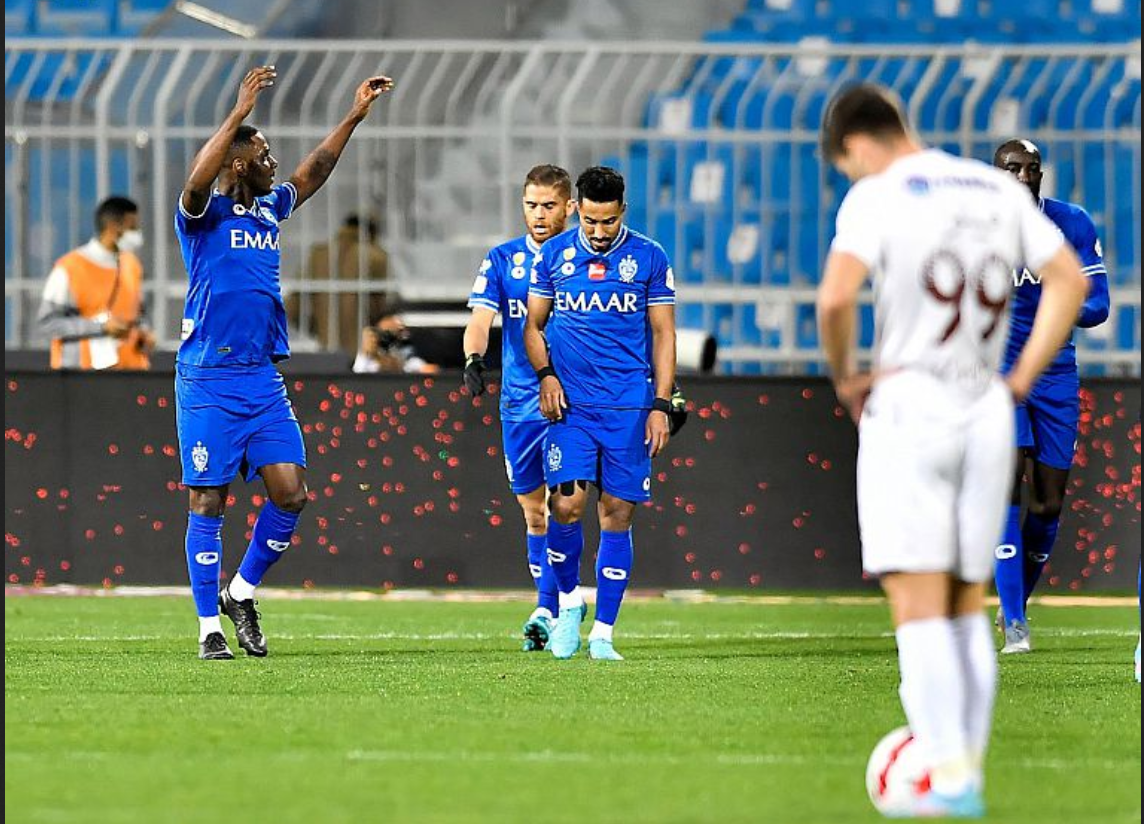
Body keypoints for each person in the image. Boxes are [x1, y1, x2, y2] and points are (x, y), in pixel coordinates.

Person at [815, 83, 1086, 817]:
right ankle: (965, 774)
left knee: (917, 599)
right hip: (986, 407)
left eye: (846, 165)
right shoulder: (992, 190)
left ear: (855, 144)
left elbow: (835, 299)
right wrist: (1019, 379)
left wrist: (846, 377)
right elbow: (1068, 282)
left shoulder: (879, 194)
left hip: (911, 404)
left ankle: (947, 777)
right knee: (966, 601)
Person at [174, 66, 393, 660]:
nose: (274, 162)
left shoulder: (270, 209)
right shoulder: (201, 216)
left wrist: (353, 115)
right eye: (264, 155)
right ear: (238, 163)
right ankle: (208, 629)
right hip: (208, 378)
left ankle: (240, 593)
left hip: (261, 378)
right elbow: (196, 180)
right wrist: (238, 114)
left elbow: (312, 171)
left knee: (291, 494)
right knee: (208, 501)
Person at [524, 166, 677, 661]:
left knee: (616, 513)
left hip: (629, 407)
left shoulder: (649, 257)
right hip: (572, 407)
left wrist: (660, 404)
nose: (598, 231)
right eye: (590, 220)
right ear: (577, 211)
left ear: (622, 213)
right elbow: (532, 326)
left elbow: (664, 333)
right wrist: (546, 375)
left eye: (608, 221)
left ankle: (604, 634)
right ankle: (570, 603)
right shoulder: (553, 255)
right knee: (565, 505)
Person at [990, 138, 1111, 655]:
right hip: (998, 374)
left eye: (1032, 169)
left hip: (1056, 372)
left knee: (1048, 503)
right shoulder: (974, 227)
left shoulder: (1070, 223)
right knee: (1005, 487)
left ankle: (1014, 602)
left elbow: (1099, 305)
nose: (1023, 177)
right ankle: (1016, 623)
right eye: (1012, 168)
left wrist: (1060, 297)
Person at [463, 164, 579, 651]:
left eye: (549, 205)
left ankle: (550, 609)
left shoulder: (581, 259)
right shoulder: (502, 259)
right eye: (531, 205)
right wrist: (474, 357)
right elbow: (480, 319)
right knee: (534, 515)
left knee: (561, 505)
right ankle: (551, 605)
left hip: (569, 403)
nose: (539, 214)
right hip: (518, 405)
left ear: (569, 207)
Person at [38, 195, 156, 370]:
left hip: (131, 372)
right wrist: (100, 327)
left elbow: (139, 315)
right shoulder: (69, 268)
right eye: (132, 227)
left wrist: (144, 332)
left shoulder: (132, 265)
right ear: (112, 226)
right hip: (82, 375)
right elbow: (48, 324)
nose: (137, 233)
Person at [287, 213, 391, 357]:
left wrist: (319, 327)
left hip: (328, 349)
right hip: (363, 350)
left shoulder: (318, 255)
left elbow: (292, 308)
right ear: (372, 233)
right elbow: (385, 306)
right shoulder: (376, 257)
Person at [353, 307, 438, 374]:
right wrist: (369, 353)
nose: (389, 339)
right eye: (386, 334)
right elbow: (358, 377)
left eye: (395, 332)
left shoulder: (411, 359)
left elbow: (428, 371)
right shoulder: (367, 359)